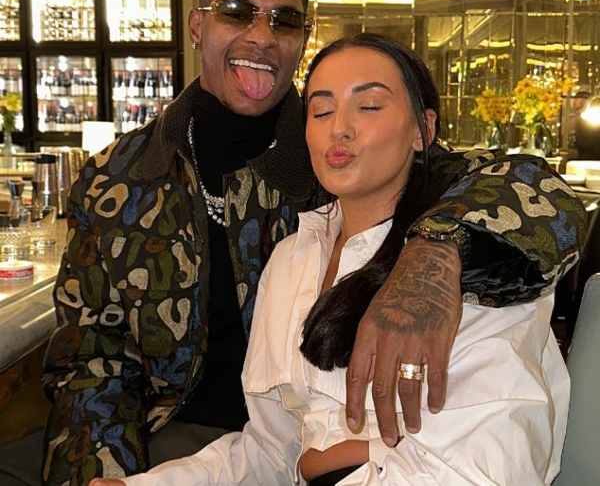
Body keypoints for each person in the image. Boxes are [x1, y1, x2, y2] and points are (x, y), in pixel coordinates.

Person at [2, 0, 581, 486]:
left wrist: (433, 256)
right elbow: (93, 359)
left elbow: (530, 193)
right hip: (185, 433)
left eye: (284, 21)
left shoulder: (356, 169)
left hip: (283, 446)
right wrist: (109, 473)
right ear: (197, 26)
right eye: (237, 12)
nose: (261, 36)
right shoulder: (121, 177)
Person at [90, 33, 570, 486]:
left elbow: (484, 467)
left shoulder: (475, 261)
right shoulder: (291, 258)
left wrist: (346, 459)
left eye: (369, 106)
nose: (339, 128)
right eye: (321, 111)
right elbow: (272, 449)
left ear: (423, 130)